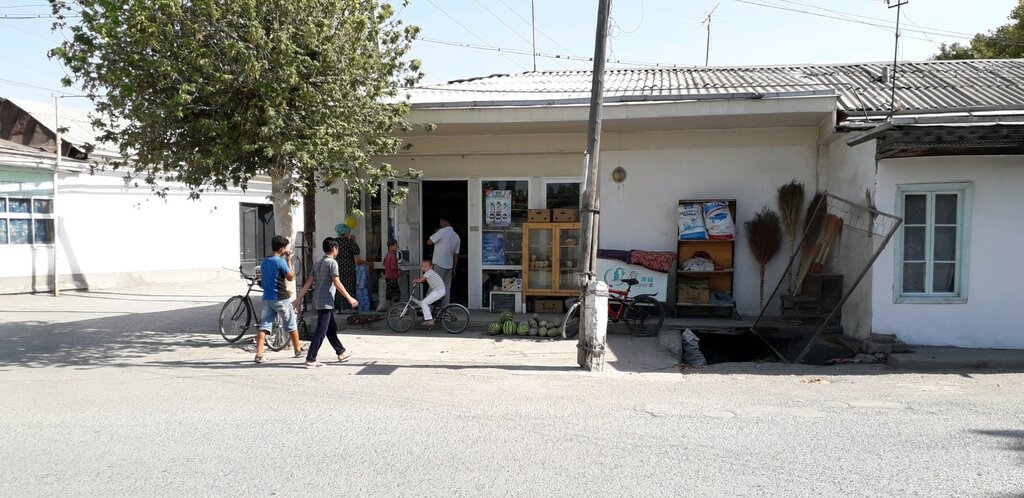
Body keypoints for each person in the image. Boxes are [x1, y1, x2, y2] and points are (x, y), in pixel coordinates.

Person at [294, 237, 357, 368]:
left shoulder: (318, 263)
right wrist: (349, 297)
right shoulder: (332, 263)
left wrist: (299, 298)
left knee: (330, 329)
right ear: (334, 248)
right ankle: (311, 358)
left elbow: (308, 282)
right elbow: (337, 282)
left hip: (318, 300)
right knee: (321, 331)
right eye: (337, 248)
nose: (337, 251)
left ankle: (341, 352)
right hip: (326, 301)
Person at [255, 235, 303, 364]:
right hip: (280, 298)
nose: (286, 250)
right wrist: (288, 260)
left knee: (264, 326)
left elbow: (271, 280)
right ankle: (298, 350)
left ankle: (259, 354)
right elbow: (290, 277)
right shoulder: (280, 261)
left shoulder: (265, 261)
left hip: (267, 298)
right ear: (281, 248)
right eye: (285, 248)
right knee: (291, 324)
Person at [427, 215, 460, 306]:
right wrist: (454, 268)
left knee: (433, 287)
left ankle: (427, 310)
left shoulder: (442, 232)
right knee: (446, 288)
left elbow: (429, 242)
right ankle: (445, 310)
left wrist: (436, 232)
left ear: (443, 221)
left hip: (439, 264)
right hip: (449, 265)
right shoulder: (456, 236)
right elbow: (456, 255)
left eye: (440, 221)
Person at [334, 223, 360, 313]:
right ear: (344, 232)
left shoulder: (335, 242)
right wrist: (354, 241)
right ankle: (353, 308)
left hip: (338, 269)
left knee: (338, 288)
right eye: (348, 232)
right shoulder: (349, 242)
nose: (349, 233)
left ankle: (338, 309)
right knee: (350, 288)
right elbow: (357, 251)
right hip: (349, 269)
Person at [411, 260, 445, 327]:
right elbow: (423, 280)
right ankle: (428, 315)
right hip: (439, 290)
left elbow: (421, 280)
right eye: (422, 266)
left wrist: (415, 280)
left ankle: (430, 320)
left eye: (425, 266)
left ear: (430, 267)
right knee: (425, 302)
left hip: (438, 291)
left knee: (424, 303)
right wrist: (419, 281)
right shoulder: (430, 273)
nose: (423, 268)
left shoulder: (429, 272)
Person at [382, 239, 401, 310]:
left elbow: (384, 263)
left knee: (389, 294)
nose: (397, 247)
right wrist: (399, 270)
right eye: (396, 245)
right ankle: (395, 310)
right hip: (393, 277)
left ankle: (389, 310)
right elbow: (392, 266)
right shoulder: (392, 256)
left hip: (388, 277)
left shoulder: (387, 255)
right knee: (396, 294)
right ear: (391, 246)